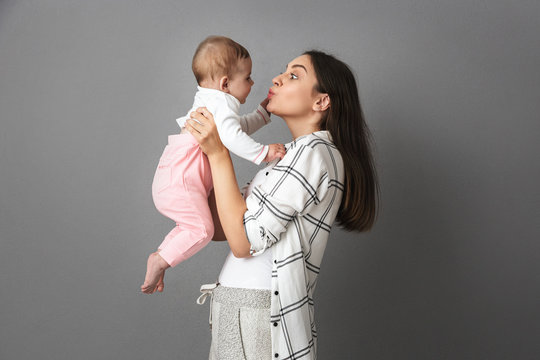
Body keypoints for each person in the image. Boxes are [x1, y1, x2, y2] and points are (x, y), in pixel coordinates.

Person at [186, 50, 380, 360]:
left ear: (322, 101)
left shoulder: (315, 153)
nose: (277, 78)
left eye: (294, 75)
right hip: (240, 309)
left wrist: (219, 154)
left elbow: (243, 243)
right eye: (284, 71)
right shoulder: (286, 156)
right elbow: (223, 227)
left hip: (260, 315)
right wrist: (203, 155)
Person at [140, 36, 286, 294]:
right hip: (182, 181)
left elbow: (233, 129)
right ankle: (160, 260)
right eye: (248, 78)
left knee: (191, 227)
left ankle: (162, 256)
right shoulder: (222, 103)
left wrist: (261, 116)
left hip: (174, 178)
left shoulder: (212, 101)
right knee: (202, 230)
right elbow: (231, 137)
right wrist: (264, 152)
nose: (252, 83)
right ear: (226, 83)